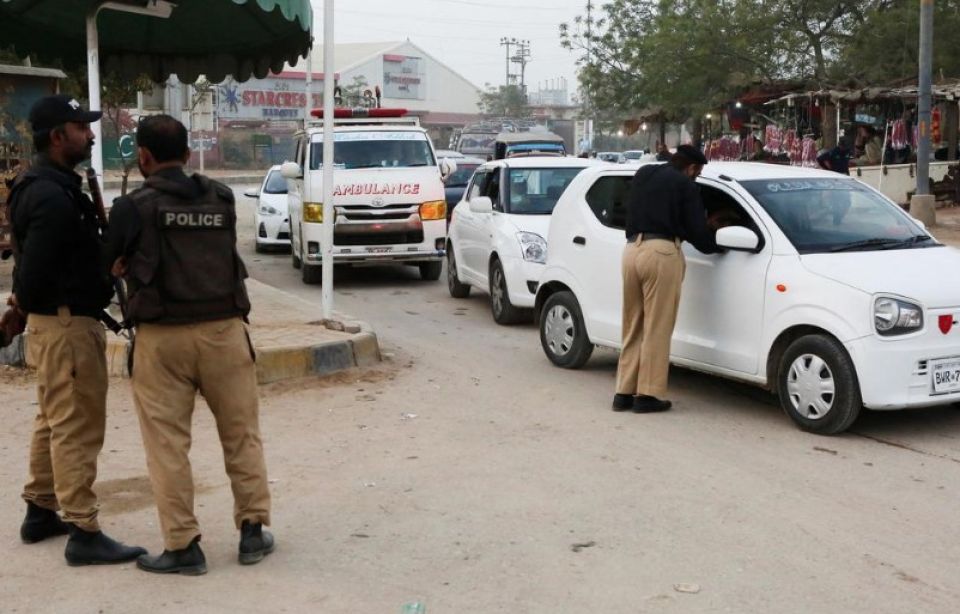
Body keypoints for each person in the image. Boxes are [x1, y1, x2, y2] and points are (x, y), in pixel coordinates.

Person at [106, 115, 272, 576]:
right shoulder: (222, 197)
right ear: (185, 152)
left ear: (143, 156)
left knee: (168, 446)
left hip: (162, 340)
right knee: (241, 435)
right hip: (225, 333)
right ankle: (252, 531)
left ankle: (182, 546)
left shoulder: (132, 207)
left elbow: (108, 261)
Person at [7, 95, 146, 565]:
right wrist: (23, 306)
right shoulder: (51, 195)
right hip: (66, 325)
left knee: (54, 419)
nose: (89, 135)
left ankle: (41, 508)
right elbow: (34, 271)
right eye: (80, 128)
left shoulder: (48, 185)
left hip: (58, 322)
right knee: (77, 426)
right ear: (56, 136)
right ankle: (83, 530)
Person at [613, 144, 718, 413]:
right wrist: (714, 241)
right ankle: (647, 395)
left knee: (633, 324)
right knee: (657, 326)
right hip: (661, 253)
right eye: (697, 173)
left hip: (631, 250)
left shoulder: (644, 173)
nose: (696, 177)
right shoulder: (686, 186)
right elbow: (697, 232)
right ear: (691, 168)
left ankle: (623, 392)